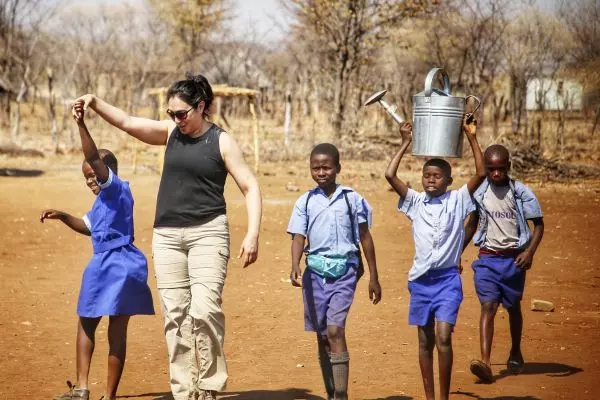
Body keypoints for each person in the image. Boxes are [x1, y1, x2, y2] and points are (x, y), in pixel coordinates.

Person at [72, 74, 262, 400]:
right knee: (175, 317)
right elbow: (129, 122)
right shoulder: (171, 131)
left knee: (205, 311)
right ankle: (185, 392)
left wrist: (253, 233)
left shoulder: (221, 141)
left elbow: (250, 186)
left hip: (208, 233)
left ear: (201, 106)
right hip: (168, 237)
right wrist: (94, 102)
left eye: (181, 113)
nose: (175, 119)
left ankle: (211, 386)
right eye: (171, 113)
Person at [42, 108, 154, 400]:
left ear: (107, 173)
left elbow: (94, 158)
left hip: (110, 264)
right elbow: (89, 227)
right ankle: (109, 396)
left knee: (88, 323)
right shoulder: (106, 200)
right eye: (86, 178)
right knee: (116, 333)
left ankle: (82, 388)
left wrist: (81, 124)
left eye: (93, 175)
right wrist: (64, 216)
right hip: (127, 265)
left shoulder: (115, 187)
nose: (90, 180)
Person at [384, 118, 485, 400]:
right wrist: (405, 142)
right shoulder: (415, 202)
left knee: (443, 337)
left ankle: (443, 397)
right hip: (420, 281)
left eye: (437, 176)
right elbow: (390, 176)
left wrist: (472, 136)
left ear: (449, 181)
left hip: (448, 280)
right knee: (425, 341)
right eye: (427, 175)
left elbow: (481, 172)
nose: (430, 179)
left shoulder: (458, 200)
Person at [287, 143, 382, 400]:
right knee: (322, 336)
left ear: (338, 168)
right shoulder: (305, 200)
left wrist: (374, 276)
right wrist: (295, 264)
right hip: (315, 273)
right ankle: (331, 391)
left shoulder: (352, 199)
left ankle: (341, 394)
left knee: (335, 330)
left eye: (326, 167)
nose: (321, 172)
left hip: (345, 270)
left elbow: (365, 236)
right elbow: (298, 236)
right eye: (315, 168)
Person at [463, 144, 544, 383]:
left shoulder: (521, 192)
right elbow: (472, 224)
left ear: (508, 166)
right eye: (491, 169)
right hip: (487, 258)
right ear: (486, 169)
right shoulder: (479, 193)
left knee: (513, 307)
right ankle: (485, 362)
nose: (496, 174)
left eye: (500, 169)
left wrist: (529, 253)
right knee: (487, 306)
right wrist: (455, 253)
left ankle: (515, 349)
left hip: (513, 260)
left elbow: (538, 226)